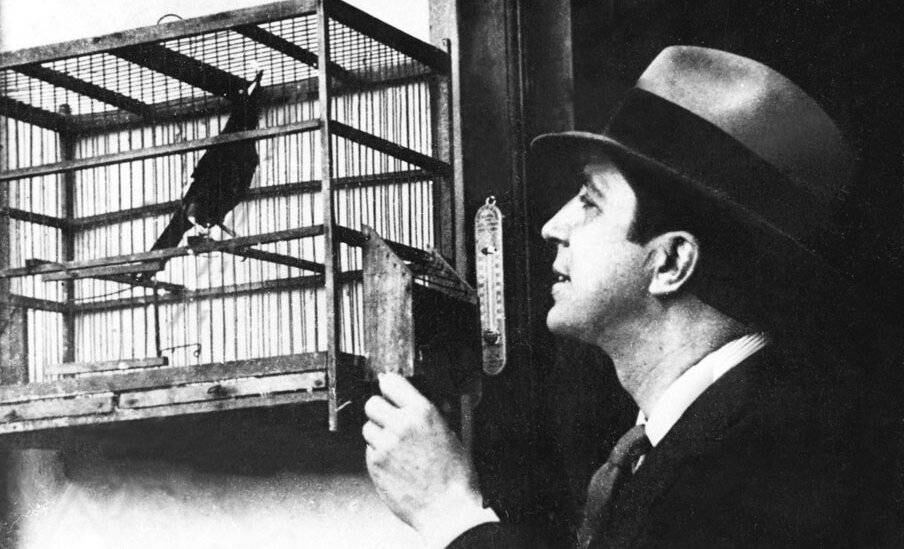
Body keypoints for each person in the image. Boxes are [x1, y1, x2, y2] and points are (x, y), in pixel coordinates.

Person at [362, 46, 902, 548]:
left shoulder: (766, 464)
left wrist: (450, 514)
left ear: (670, 262)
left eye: (589, 201)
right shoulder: (703, 433)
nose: (552, 227)